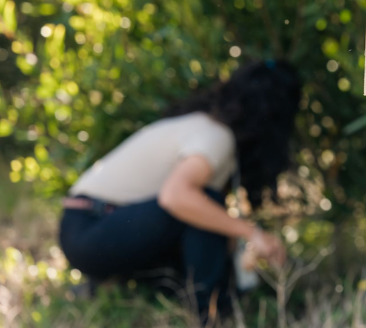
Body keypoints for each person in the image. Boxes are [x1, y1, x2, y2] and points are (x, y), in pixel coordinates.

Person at [58, 59, 301, 322]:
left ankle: (123, 287)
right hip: (92, 229)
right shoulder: (216, 136)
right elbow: (176, 197)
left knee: (208, 214)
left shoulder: (203, 126)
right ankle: (209, 314)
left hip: (91, 226)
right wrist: (252, 233)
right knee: (203, 202)